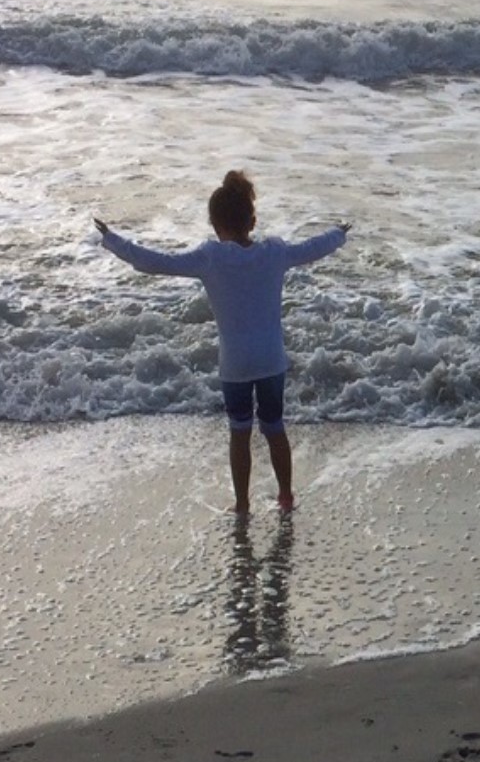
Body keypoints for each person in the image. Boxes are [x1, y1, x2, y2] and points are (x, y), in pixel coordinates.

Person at [94, 170, 349, 517]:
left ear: (215, 224)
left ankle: (242, 505)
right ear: (252, 221)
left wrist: (112, 240)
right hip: (271, 360)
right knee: (275, 428)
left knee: (240, 433)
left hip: (236, 364)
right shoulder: (274, 253)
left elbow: (156, 262)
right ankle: (286, 497)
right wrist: (339, 234)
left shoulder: (210, 258)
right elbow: (312, 249)